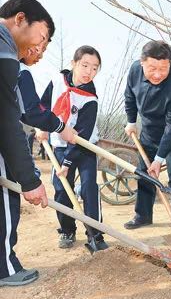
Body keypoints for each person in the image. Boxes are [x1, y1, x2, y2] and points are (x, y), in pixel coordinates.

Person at [0, 0, 52, 287]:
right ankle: (5, 268)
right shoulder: (5, 51)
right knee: (6, 199)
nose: (39, 48)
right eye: (41, 38)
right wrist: (29, 181)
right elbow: (8, 120)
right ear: (20, 19)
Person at [40, 45, 108, 250]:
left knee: (89, 187)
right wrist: (41, 127)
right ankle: (67, 231)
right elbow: (43, 106)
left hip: (85, 147)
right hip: (59, 146)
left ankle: (95, 233)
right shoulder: (56, 81)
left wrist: (68, 163)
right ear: (74, 64)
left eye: (95, 68)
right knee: (61, 190)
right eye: (85, 65)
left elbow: (82, 135)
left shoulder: (91, 99)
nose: (89, 72)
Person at [124, 40, 171, 234]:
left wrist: (159, 158)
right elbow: (129, 96)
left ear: (170, 64)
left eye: (163, 68)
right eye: (152, 68)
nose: (157, 74)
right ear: (142, 62)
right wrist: (131, 121)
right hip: (149, 127)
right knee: (144, 171)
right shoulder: (135, 70)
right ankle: (143, 215)